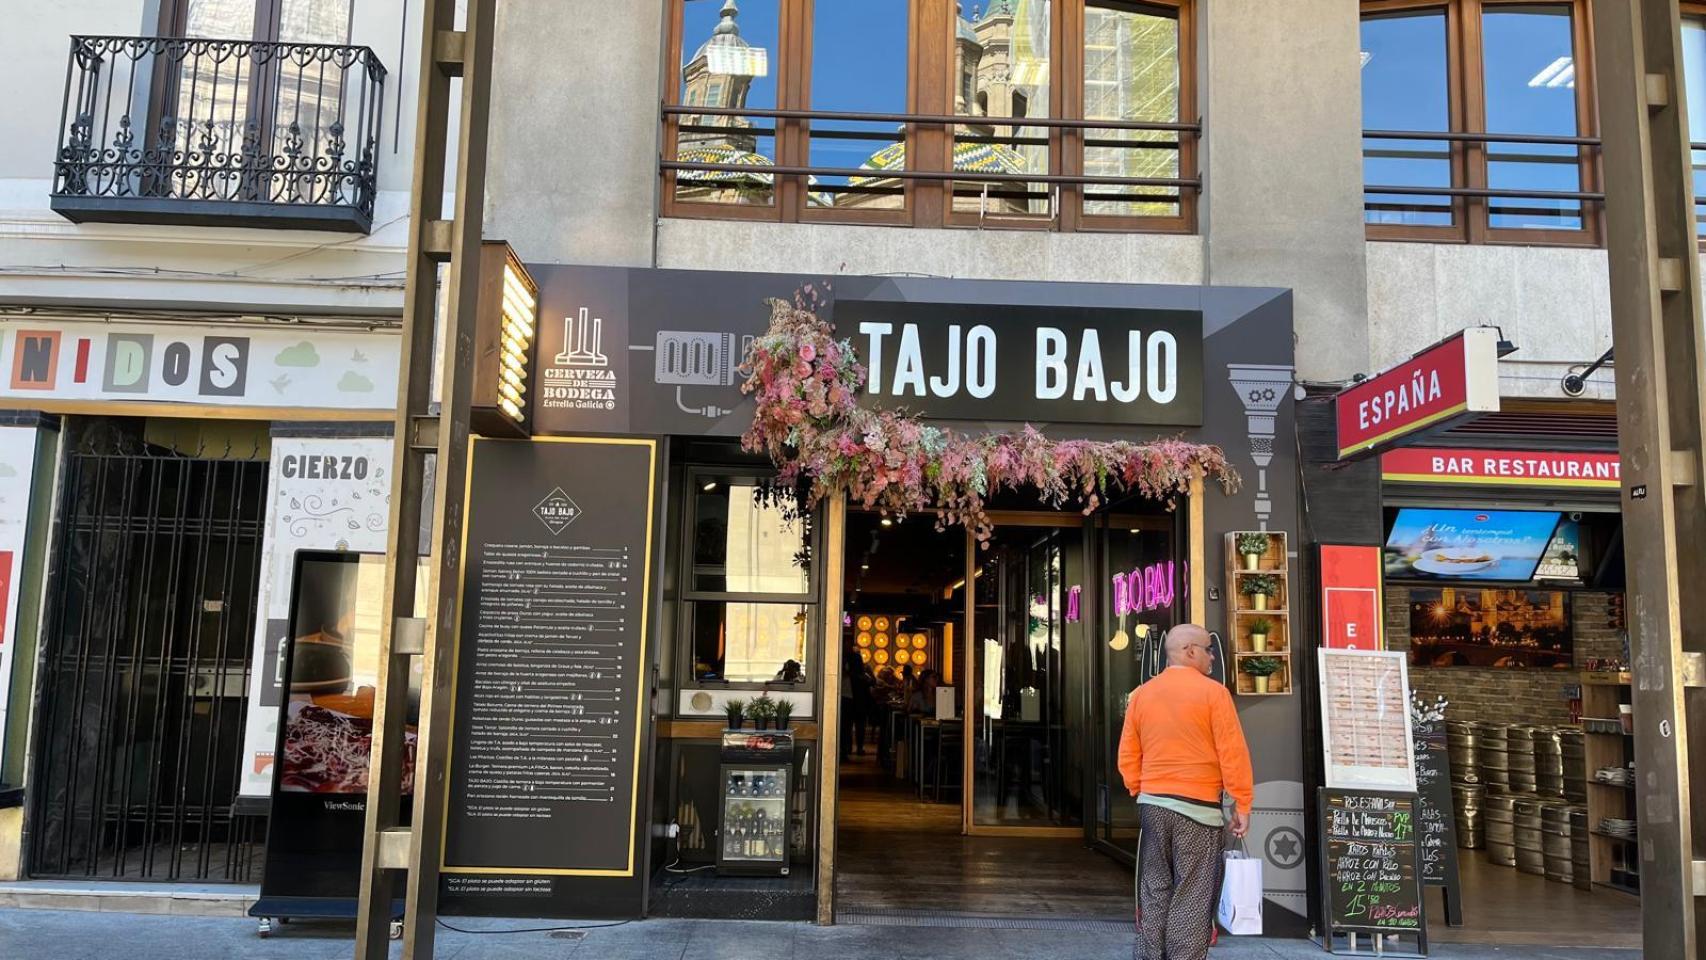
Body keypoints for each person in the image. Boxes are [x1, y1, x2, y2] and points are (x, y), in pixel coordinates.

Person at [1117, 623, 1253, 960]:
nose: (1212, 657)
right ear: (1190, 651)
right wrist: (1242, 801)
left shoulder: (1143, 694)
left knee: (1154, 889)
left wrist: (1139, 788)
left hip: (1153, 805)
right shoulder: (1213, 694)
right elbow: (1232, 753)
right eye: (1208, 649)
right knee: (1193, 894)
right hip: (1198, 809)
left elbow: (1128, 752)